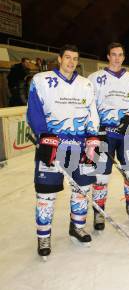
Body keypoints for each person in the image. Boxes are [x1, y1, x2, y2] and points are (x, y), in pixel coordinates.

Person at [26, 45, 100, 259]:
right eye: (67, 57)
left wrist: (92, 136)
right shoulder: (41, 80)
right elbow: (34, 110)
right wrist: (44, 135)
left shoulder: (86, 84)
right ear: (59, 59)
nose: (71, 62)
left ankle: (77, 226)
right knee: (45, 194)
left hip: (79, 147)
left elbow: (91, 112)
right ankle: (43, 236)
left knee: (82, 189)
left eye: (75, 58)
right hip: (52, 146)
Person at [88, 42, 129, 230]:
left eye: (120, 54)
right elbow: (89, 106)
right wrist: (96, 129)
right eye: (113, 54)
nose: (117, 58)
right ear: (108, 56)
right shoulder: (95, 78)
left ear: (124, 57)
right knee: (101, 175)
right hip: (105, 134)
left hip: (128, 134)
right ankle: (99, 212)